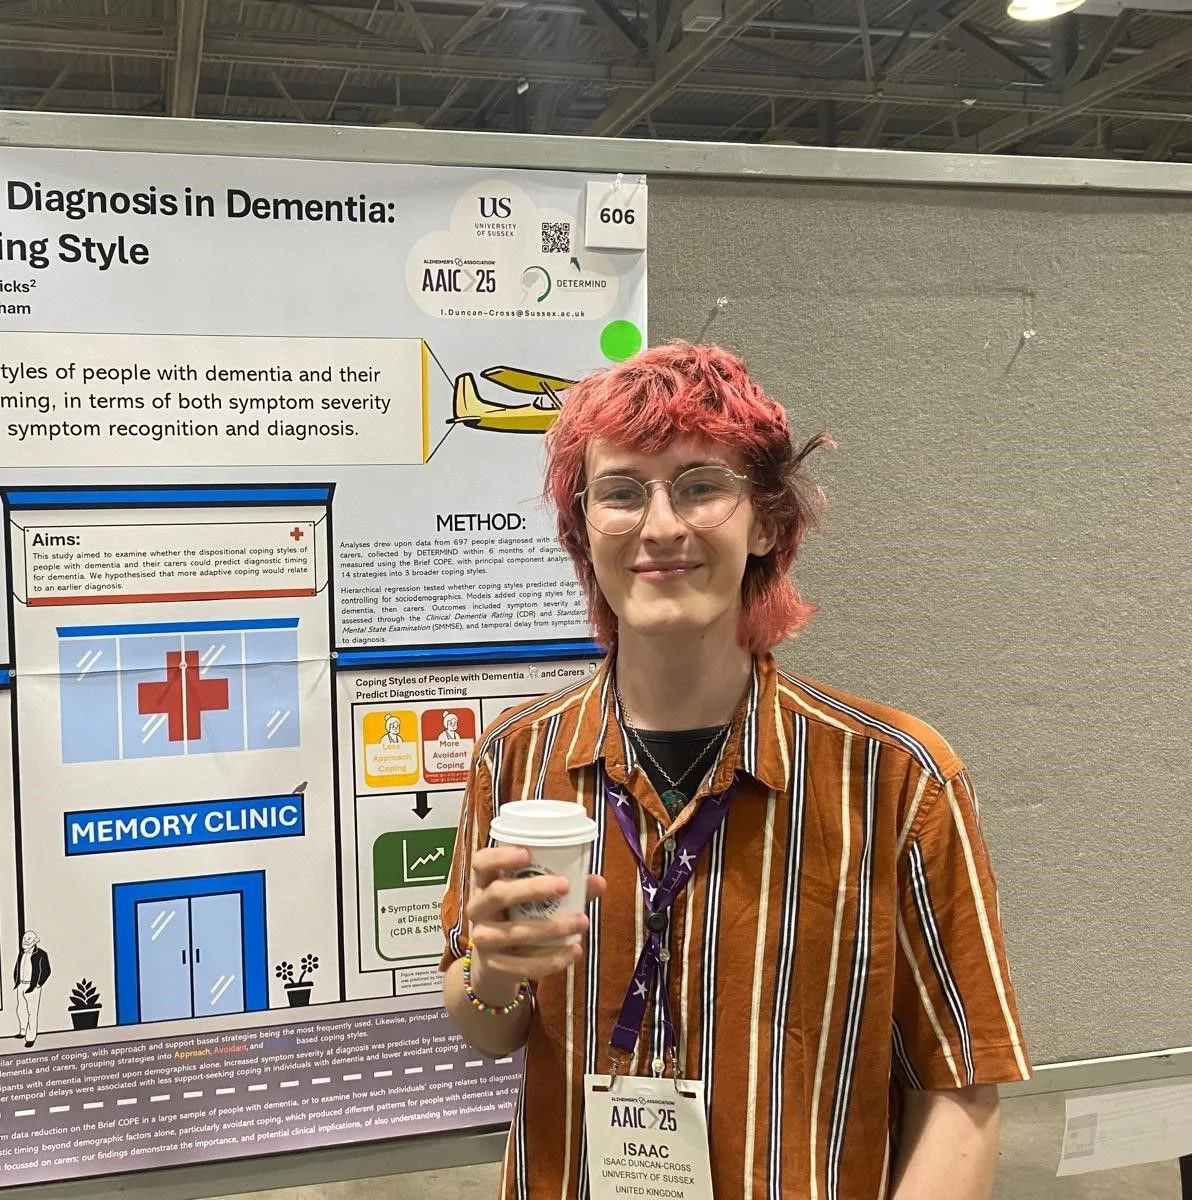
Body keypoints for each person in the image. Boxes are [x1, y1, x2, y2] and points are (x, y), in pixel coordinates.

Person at [439, 342, 1029, 1200]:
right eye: (621, 491)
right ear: (582, 531)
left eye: (701, 485)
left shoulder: (898, 778)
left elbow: (961, 1082)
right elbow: (489, 1031)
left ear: (766, 523)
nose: (662, 525)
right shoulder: (518, 756)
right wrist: (492, 974)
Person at [12, 929, 51, 1048]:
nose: (24, 941)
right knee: (21, 1009)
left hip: (33, 986)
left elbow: (46, 970)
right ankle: (22, 1030)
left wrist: (38, 983)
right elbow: (17, 968)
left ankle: (30, 1037)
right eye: (24, 939)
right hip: (21, 985)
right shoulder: (21, 953)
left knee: (32, 1012)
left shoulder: (41, 954)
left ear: (34, 941)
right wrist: (17, 981)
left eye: (28, 939)